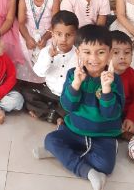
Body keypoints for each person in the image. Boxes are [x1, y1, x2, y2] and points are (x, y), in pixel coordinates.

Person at [34, 25, 124, 190]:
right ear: (78, 53)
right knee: (50, 140)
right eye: (87, 52)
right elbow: (68, 106)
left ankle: (61, 154)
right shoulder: (73, 74)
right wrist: (76, 84)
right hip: (74, 130)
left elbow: (111, 114)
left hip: (103, 135)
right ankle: (87, 171)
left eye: (101, 52)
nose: (94, 58)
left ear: (110, 53)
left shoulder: (114, 80)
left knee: (105, 166)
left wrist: (106, 90)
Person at [21, 10, 78, 124]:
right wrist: (49, 57)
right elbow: (39, 72)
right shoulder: (46, 51)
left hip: (67, 96)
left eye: (68, 35)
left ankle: (51, 113)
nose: (63, 39)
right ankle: (56, 115)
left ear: (76, 35)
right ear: (52, 34)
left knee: (78, 107)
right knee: (27, 93)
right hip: (48, 91)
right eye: (59, 34)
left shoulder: (79, 54)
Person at [17, 0, 61, 83]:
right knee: (22, 46)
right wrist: (27, 38)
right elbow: (21, 23)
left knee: (52, 48)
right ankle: (28, 79)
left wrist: (46, 38)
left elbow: (55, 24)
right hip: (28, 32)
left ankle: (47, 79)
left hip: (48, 32)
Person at [110, 30, 134, 140]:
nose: (122, 57)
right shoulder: (99, 74)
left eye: (127, 53)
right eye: (116, 52)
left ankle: (126, 128)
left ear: (132, 55)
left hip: (125, 113)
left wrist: (131, 119)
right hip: (105, 111)